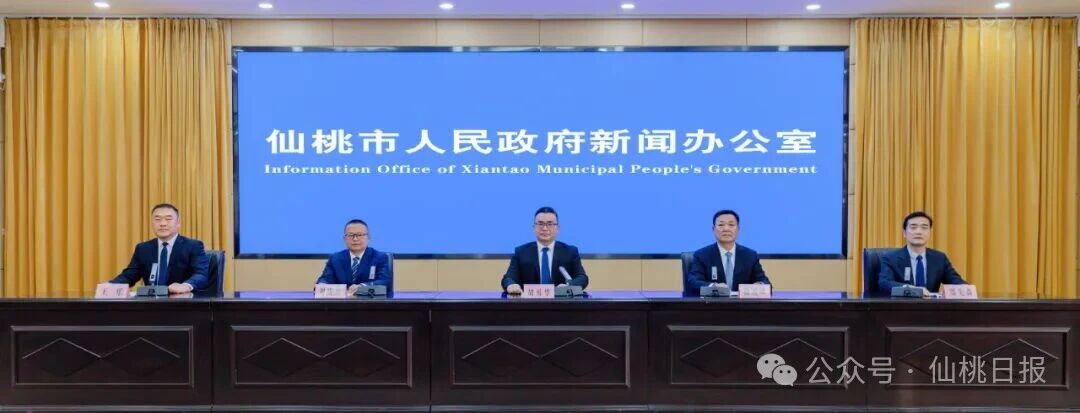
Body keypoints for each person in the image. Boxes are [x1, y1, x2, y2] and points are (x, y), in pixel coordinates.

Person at [111, 203, 209, 294]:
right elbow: (129, 275)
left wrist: (186, 286)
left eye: (168, 219)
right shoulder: (143, 248)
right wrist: (110, 286)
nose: (163, 223)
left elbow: (201, 275)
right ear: (152, 223)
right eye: (157, 219)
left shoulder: (193, 246)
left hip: (181, 302)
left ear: (178, 222)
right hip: (151, 303)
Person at [502, 207, 589, 294]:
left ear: (557, 228)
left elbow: (582, 278)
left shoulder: (570, 252)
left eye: (550, 224)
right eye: (540, 224)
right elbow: (508, 278)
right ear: (534, 228)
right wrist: (511, 285)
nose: (544, 228)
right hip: (530, 301)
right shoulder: (521, 252)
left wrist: (569, 286)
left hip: (560, 301)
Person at [878, 211, 967, 294]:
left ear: (929, 232)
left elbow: (956, 281)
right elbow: (884, 283)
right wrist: (912, 290)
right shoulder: (890, 258)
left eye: (924, 228)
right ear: (904, 233)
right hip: (903, 305)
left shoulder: (939, 258)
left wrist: (965, 289)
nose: (919, 232)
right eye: (913, 227)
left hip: (931, 305)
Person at [687, 209, 771, 292]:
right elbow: (693, 282)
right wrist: (713, 286)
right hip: (714, 300)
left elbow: (765, 282)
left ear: (738, 229)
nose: (726, 229)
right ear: (713, 229)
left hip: (742, 301)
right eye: (721, 225)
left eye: (731, 225)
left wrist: (760, 285)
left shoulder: (750, 255)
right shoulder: (702, 255)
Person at [315, 219, 392, 295]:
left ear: (368, 237)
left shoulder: (379, 257)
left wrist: (362, 287)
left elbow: (384, 281)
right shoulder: (335, 258)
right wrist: (322, 284)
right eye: (350, 235)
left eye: (359, 235)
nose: (355, 239)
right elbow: (325, 278)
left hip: (370, 301)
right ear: (344, 239)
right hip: (342, 302)